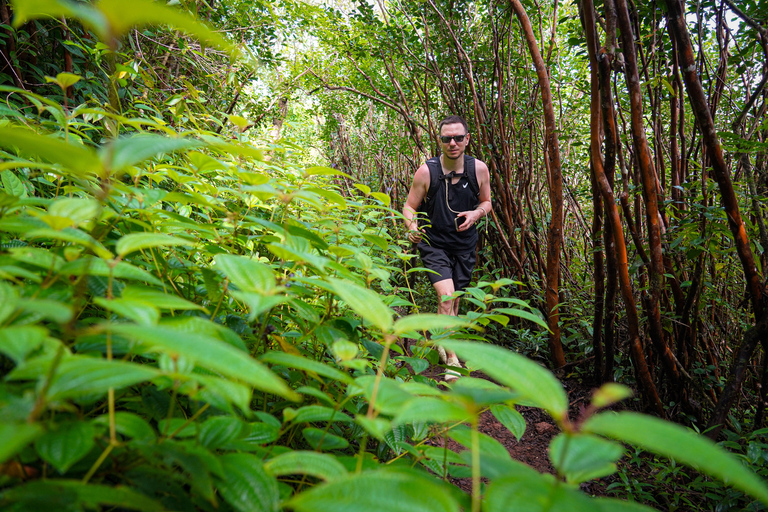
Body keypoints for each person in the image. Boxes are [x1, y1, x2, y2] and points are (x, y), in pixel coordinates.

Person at [403, 115, 492, 381]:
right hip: (434, 244)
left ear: (467, 139)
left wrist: (476, 214)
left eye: (457, 138)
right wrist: (412, 228)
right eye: (446, 138)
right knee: (447, 297)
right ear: (440, 141)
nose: (452, 143)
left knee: (454, 304)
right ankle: (452, 360)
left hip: (465, 245)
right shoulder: (426, 171)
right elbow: (409, 206)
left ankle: (440, 340)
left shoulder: (478, 169)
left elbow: (486, 202)